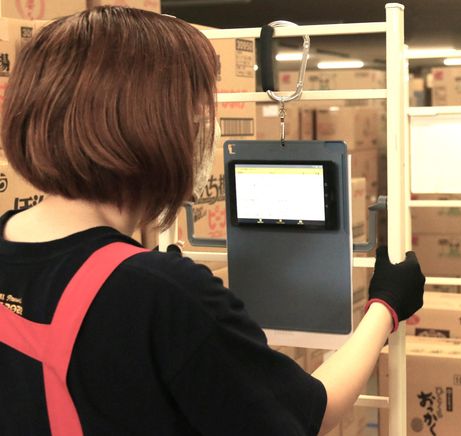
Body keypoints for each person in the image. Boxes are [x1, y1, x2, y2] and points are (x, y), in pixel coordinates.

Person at [0, 7, 425, 436]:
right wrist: (386, 306)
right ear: (153, 128)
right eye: (195, 116)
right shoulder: (163, 293)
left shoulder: (11, 242)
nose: (202, 132)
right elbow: (311, 412)